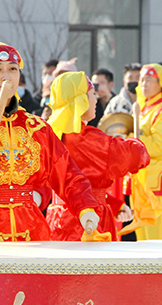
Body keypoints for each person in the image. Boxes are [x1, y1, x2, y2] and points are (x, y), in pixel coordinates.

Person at [0, 42, 100, 241]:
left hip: (32, 230)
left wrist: (85, 207)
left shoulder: (37, 128)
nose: (6, 76)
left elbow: (68, 175)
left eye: (13, 69)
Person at [46, 71, 149, 240]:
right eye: (92, 94)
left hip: (58, 218)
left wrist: (112, 203)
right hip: (88, 220)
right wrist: (136, 142)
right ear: (81, 101)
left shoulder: (51, 135)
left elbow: (75, 187)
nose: (95, 100)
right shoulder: (86, 138)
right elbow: (135, 156)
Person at [132, 63, 162, 240]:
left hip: (157, 174)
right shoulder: (144, 108)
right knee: (141, 231)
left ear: (161, 83)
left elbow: (158, 145)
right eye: (141, 80)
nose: (143, 84)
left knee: (154, 233)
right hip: (140, 175)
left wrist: (130, 138)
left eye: (149, 80)